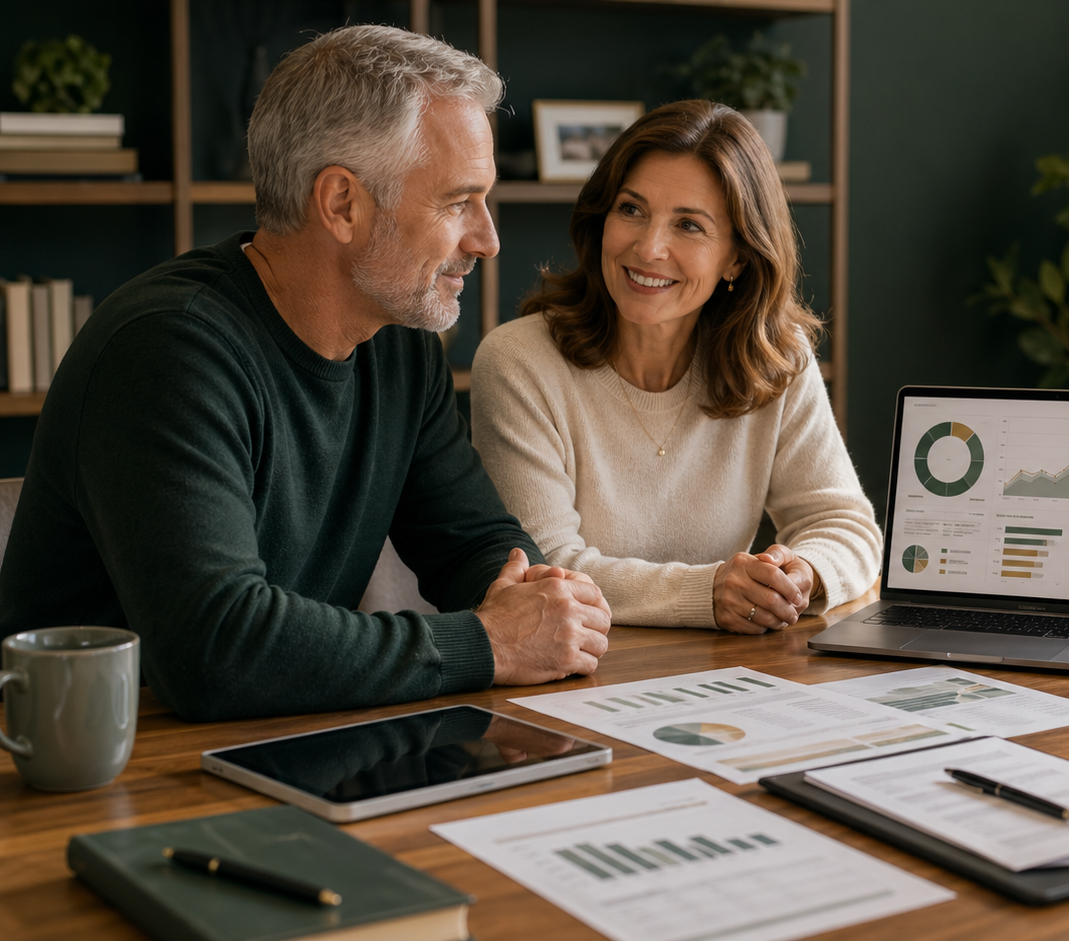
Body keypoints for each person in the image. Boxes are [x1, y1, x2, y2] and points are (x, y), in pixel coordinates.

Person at [0, 26, 612, 723]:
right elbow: (217, 648)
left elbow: (472, 543)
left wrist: (544, 597)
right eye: (456, 202)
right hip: (101, 762)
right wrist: (489, 642)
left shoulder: (399, 343)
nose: (488, 238)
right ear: (342, 204)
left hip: (287, 734)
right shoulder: (167, 351)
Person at [471, 100, 881, 633]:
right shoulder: (518, 362)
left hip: (718, 678)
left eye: (688, 225)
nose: (649, 247)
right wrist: (705, 593)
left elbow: (844, 523)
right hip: (565, 671)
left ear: (737, 258)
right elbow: (544, 567)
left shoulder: (777, 360)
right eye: (631, 210)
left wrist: (802, 574)